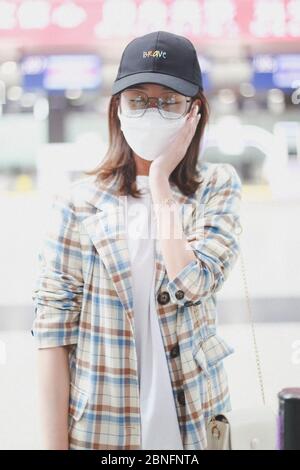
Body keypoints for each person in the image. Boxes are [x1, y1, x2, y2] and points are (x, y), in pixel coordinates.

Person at [31, 30, 242, 450]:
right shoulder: (79, 203)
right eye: (138, 99)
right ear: (118, 108)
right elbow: (53, 334)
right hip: (103, 431)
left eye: (168, 101)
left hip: (193, 425)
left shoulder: (216, 187)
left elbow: (193, 282)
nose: (151, 111)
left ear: (194, 111)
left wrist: (161, 182)